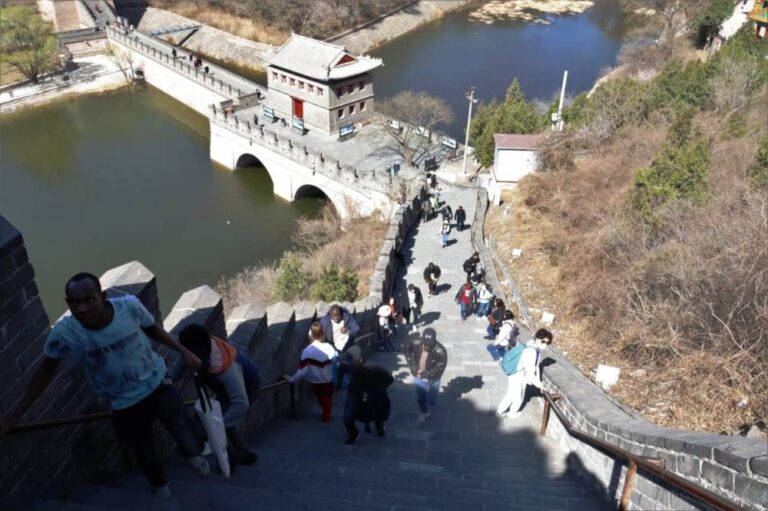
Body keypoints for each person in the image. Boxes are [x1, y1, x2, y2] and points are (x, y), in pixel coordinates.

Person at [0, 273, 208, 497]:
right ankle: (160, 487)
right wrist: (16, 414)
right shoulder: (65, 332)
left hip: (157, 384)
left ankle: (193, 455)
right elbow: (46, 371)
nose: (81, 309)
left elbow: (152, 328)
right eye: (74, 303)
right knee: (143, 452)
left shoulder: (128, 307)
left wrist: (184, 352)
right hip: (122, 402)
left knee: (186, 435)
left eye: (89, 300)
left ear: (102, 296)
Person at [178, 324, 260, 469]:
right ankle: (244, 455)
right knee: (216, 421)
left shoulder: (225, 368)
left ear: (200, 349)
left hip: (247, 388)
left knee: (214, 424)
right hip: (225, 391)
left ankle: (229, 460)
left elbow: (241, 403)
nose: (186, 355)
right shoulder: (198, 349)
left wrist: (219, 426)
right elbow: (182, 364)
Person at [341, 347, 394, 445]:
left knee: (376, 412)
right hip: (355, 392)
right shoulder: (349, 367)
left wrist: (377, 389)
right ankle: (354, 434)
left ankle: (379, 427)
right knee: (347, 417)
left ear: (358, 360)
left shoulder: (374, 368)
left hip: (372, 394)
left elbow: (389, 379)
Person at [496, 329, 553, 419]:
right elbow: (530, 372)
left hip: (517, 372)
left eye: (548, 343)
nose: (545, 345)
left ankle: (503, 411)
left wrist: (538, 382)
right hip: (517, 374)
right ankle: (509, 412)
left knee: (514, 393)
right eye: (543, 342)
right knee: (517, 394)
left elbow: (536, 367)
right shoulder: (531, 351)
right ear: (537, 339)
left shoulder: (532, 345)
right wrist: (540, 385)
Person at [285, 323, 336, 422]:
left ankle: (325, 414)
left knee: (321, 398)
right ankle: (327, 415)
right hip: (328, 380)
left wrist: (291, 379)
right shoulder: (329, 348)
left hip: (314, 381)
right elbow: (334, 364)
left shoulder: (307, 351)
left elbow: (302, 371)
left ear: (310, 334)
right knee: (327, 398)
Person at [404, 328, 447, 424]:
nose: (426, 347)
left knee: (432, 401)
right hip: (418, 376)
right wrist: (414, 368)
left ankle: (431, 400)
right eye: (425, 344)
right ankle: (424, 411)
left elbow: (439, 368)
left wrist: (423, 374)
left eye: (429, 345)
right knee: (421, 397)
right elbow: (406, 350)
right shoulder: (415, 342)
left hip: (433, 378)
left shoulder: (441, 351)